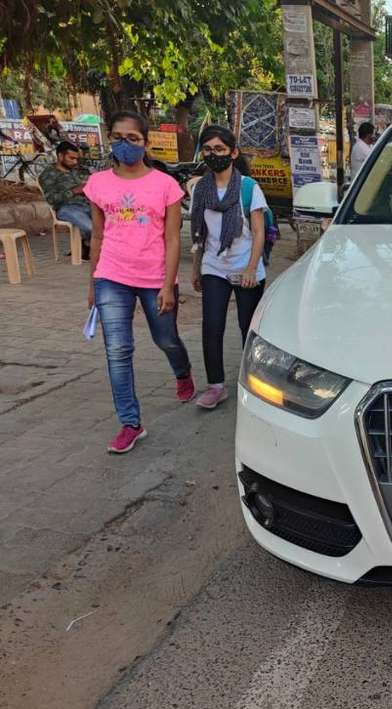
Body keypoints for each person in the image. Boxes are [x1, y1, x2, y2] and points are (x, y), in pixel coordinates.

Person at [84, 111, 195, 454]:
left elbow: (173, 239)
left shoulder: (166, 186)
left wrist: (167, 284)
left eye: (132, 138)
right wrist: (91, 284)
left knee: (165, 338)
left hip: (154, 277)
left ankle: (182, 369)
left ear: (145, 143)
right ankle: (130, 423)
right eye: (117, 137)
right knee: (118, 350)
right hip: (112, 275)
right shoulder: (98, 183)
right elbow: (98, 237)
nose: (124, 144)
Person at [189, 125, 268, 410]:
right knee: (212, 326)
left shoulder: (248, 188)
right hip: (214, 266)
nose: (213, 155)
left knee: (248, 328)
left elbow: (258, 231)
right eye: (208, 149)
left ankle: (255, 380)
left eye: (219, 149)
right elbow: (199, 231)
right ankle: (216, 385)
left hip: (246, 267)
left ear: (233, 153)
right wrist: (196, 267)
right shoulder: (201, 188)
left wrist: (250, 268)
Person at [38, 141, 92, 258]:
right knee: (90, 227)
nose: (75, 162)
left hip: (89, 204)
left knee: (115, 221)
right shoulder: (48, 174)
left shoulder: (78, 170)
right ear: (60, 156)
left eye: (76, 159)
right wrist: (74, 191)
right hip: (67, 208)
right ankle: (86, 245)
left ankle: (86, 245)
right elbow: (52, 199)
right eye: (71, 158)